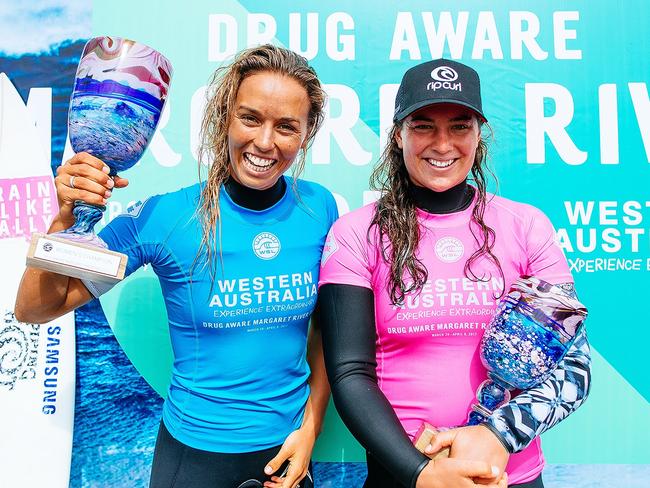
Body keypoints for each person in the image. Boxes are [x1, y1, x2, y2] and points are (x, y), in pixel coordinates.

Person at [15, 44, 338, 488]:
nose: (265, 142)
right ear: (224, 117)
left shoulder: (318, 208)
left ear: (306, 133)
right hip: (195, 461)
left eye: (286, 126)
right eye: (250, 118)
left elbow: (324, 331)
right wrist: (65, 218)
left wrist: (310, 431)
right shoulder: (166, 218)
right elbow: (36, 308)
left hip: (287, 456)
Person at [318, 59, 591, 488]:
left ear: (479, 135)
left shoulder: (526, 225)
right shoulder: (356, 234)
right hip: (403, 475)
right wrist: (423, 473)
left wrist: (497, 435)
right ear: (398, 134)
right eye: (423, 125)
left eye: (460, 126)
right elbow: (350, 373)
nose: (443, 144)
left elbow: (573, 367)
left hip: (506, 475)